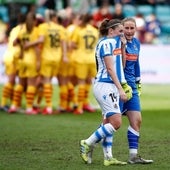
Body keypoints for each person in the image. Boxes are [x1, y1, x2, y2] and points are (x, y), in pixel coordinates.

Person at [80, 19, 132, 166]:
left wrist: (122, 47)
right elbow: (109, 69)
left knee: (107, 122)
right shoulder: (106, 43)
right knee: (116, 123)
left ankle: (108, 157)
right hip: (105, 85)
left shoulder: (115, 44)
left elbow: (121, 66)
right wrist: (121, 89)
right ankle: (87, 143)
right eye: (120, 31)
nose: (123, 34)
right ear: (111, 31)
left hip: (110, 86)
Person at [121, 17, 154, 164]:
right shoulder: (117, 43)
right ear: (122, 29)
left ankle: (133, 156)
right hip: (118, 87)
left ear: (135, 29)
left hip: (131, 87)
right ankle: (90, 143)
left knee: (137, 120)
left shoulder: (136, 43)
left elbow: (136, 64)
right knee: (111, 123)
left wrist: (138, 81)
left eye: (131, 28)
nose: (129, 31)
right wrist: (120, 84)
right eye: (126, 28)